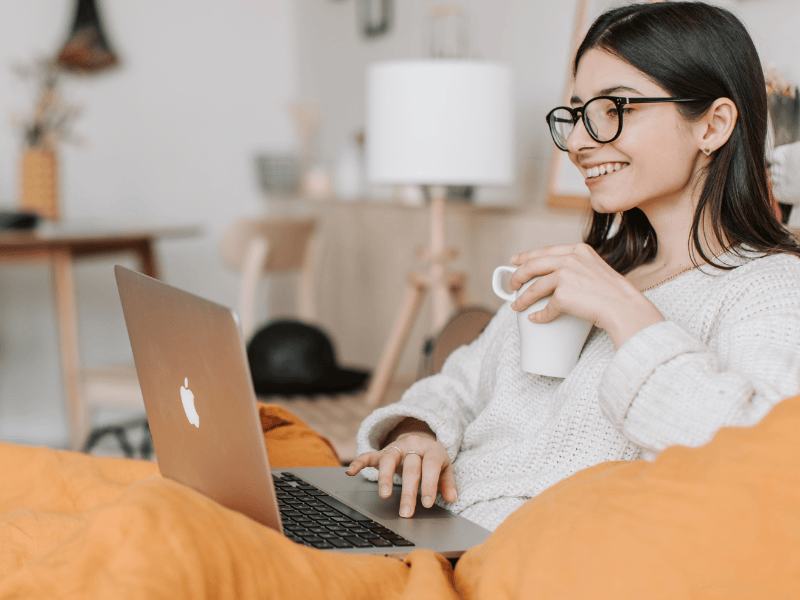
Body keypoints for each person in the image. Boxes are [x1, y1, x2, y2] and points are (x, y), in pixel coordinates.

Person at [346, 1, 800, 532]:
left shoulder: (769, 287)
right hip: (427, 521)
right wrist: (418, 434)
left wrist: (625, 314)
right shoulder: (594, 267)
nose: (581, 141)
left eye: (616, 109)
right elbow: (457, 385)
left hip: (513, 556)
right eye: (580, 113)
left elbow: (763, 457)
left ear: (714, 125)